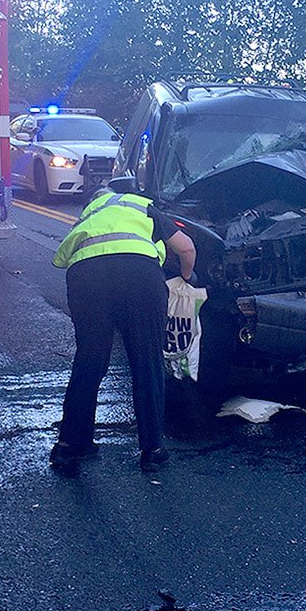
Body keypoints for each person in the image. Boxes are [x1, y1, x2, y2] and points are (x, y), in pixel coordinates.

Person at [50, 177, 197, 472]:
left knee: (89, 361)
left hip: (86, 280)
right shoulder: (141, 205)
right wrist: (187, 277)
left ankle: (70, 445)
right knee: (147, 362)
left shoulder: (88, 217)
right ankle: (152, 450)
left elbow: (66, 259)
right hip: (140, 279)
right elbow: (187, 247)